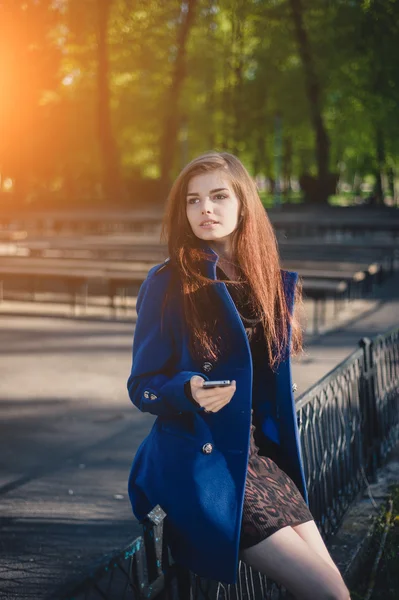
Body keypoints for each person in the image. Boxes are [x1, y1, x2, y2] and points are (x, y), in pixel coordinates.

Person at [127, 152, 350, 600]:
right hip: (203, 463)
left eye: (218, 196)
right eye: (192, 200)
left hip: (260, 462)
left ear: (243, 203)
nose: (204, 209)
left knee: (336, 591)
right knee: (328, 593)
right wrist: (185, 390)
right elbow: (142, 386)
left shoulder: (269, 282)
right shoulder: (168, 283)